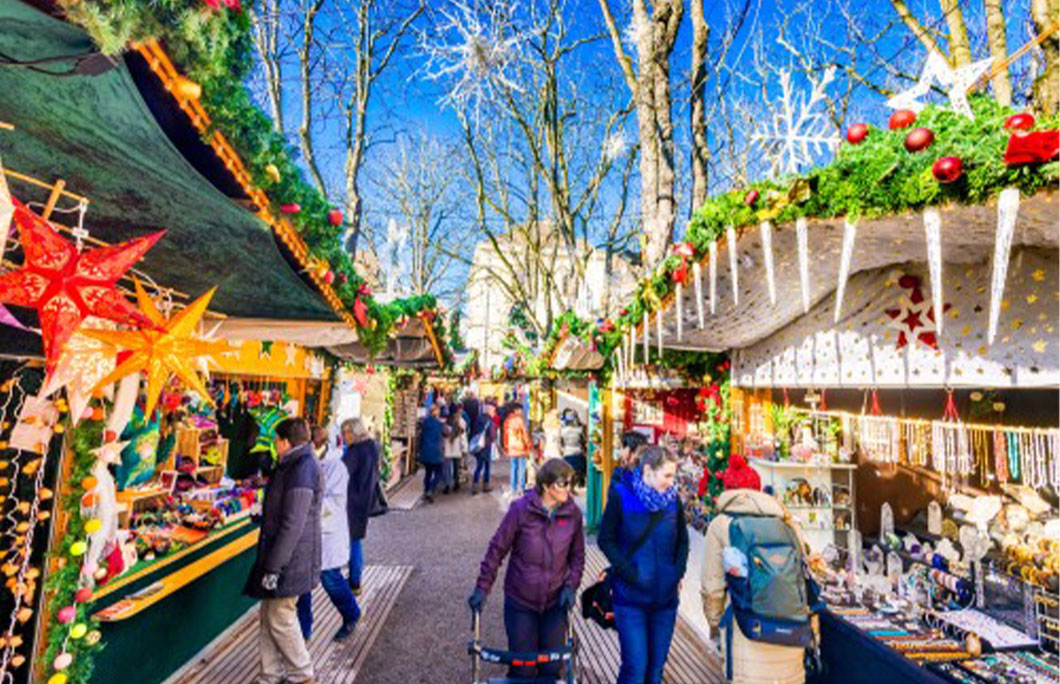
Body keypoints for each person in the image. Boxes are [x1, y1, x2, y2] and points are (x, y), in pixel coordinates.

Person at [468, 459, 586, 681]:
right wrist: (482, 588)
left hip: (555, 602)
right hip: (521, 601)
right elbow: (497, 550)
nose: (569, 488)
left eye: (571, 482)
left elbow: (577, 556)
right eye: (563, 483)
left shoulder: (573, 515)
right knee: (523, 669)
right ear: (546, 486)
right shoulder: (520, 510)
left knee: (551, 668)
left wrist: (571, 586)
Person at [701, 455, 808, 684]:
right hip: (792, 635)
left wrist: (717, 622)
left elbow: (712, 586)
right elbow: (803, 575)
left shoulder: (722, 525)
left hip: (747, 631)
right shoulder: (788, 522)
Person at [598, 445, 689, 684]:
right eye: (667, 475)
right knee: (635, 669)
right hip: (630, 599)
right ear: (648, 470)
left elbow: (683, 540)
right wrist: (628, 572)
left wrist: (677, 572)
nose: (672, 482)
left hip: (665, 599)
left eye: (674, 476)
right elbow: (605, 538)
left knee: (655, 670)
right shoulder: (621, 494)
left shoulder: (673, 500)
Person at [243, 418, 323, 684]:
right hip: (286, 555)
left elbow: (293, 524)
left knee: (280, 616)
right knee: (269, 614)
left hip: (291, 559)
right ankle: (269, 674)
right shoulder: (294, 464)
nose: (274, 445)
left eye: (276, 440)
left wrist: (274, 567)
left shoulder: (302, 468)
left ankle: (302, 673)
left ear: (286, 442)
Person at [297, 426, 359, 641]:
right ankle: (303, 630)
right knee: (302, 583)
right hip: (306, 532)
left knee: (330, 578)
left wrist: (304, 503)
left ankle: (351, 614)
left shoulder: (336, 467)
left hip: (327, 532)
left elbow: (333, 501)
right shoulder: (307, 463)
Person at [340, 418, 380, 596]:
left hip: (352, 500)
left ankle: (354, 581)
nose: (344, 437)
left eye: (345, 434)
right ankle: (356, 579)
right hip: (365, 497)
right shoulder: (372, 446)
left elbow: (342, 472)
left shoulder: (355, 452)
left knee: (353, 540)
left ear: (352, 433)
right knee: (356, 540)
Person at [503, 401, 532, 496]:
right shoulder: (520, 420)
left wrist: (506, 447)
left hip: (511, 447)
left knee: (513, 467)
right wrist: (528, 445)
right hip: (521, 447)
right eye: (520, 409)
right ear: (516, 410)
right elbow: (525, 434)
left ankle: (513, 487)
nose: (521, 411)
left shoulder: (507, 420)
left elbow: (505, 435)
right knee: (522, 468)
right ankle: (522, 488)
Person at [419, 404, 446, 503]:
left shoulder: (425, 422)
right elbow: (446, 433)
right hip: (436, 452)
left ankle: (426, 490)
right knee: (439, 472)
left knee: (428, 473)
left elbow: (421, 437)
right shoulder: (439, 424)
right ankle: (431, 489)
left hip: (426, 451)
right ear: (436, 412)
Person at [470, 400, 497, 494]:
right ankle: (486, 485)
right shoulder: (490, 421)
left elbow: (473, 431)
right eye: (493, 411)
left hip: (478, 446)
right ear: (489, 411)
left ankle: (475, 485)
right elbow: (493, 435)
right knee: (487, 466)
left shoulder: (478, 419)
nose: (494, 413)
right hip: (486, 446)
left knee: (478, 466)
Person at [442, 408, 468, 493]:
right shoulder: (460, 428)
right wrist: (464, 449)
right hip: (457, 450)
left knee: (447, 468)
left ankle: (447, 485)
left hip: (447, 450)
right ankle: (456, 483)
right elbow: (463, 439)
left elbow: (442, 439)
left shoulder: (445, 428)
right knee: (456, 467)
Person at [560, 410, 587, 488]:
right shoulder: (579, 430)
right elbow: (583, 441)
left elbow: (562, 443)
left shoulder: (562, 431)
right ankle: (581, 480)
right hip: (577, 453)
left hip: (567, 454)